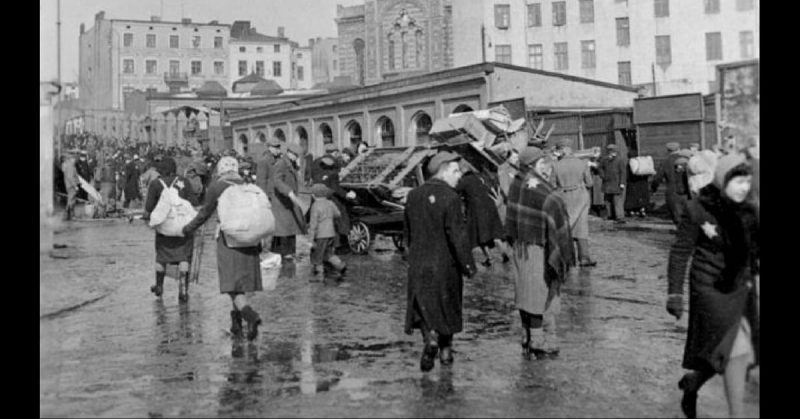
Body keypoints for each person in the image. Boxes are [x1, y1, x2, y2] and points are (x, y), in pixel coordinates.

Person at [666, 152, 759, 418]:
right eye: (737, 181)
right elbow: (680, 251)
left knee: (726, 350)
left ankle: (693, 383)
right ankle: (737, 414)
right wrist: (675, 293)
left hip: (742, 285)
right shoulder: (698, 208)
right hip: (710, 288)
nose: (743, 187)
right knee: (736, 350)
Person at [404, 151, 476, 372]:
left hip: (420, 263)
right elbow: (457, 236)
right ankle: (445, 352)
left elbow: (407, 233)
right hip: (446, 265)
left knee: (424, 307)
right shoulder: (451, 198)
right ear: (443, 171)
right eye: (455, 171)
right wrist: (468, 265)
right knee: (447, 306)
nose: (459, 177)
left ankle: (429, 339)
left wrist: (411, 255)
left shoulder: (413, 195)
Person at [182, 157, 264, 341]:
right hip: (250, 239)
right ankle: (236, 326)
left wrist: (188, 228)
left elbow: (204, 213)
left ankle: (251, 317)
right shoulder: (246, 184)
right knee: (240, 283)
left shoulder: (217, 186)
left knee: (231, 285)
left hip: (228, 240)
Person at [506, 147, 575, 358]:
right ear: (533, 165)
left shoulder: (517, 182)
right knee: (539, 292)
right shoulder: (542, 191)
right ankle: (537, 339)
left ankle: (529, 334)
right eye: (543, 163)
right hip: (537, 247)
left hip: (520, 244)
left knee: (525, 290)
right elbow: (554, 207)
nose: (546, 167)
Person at [143, 157, 198, 303]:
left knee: (162, 257)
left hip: (164, 228)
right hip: (183, 227)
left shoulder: (155, 184)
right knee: (184, 257)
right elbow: (194, 202)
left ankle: (159, 286)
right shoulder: (184, 182)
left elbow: (148, 208)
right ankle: (183, 289)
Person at [552, 138, 596, 267]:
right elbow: (590, 183)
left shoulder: (555, 165)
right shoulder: (582, 163)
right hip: (581, 197)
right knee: (581, 228)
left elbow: (551, 185)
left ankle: (564, 258)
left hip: (563, 198)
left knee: (565, 226)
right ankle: (584, 258)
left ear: (563, 150)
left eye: (559, 150)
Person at [456, 159, 504, 267]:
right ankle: (504, 254)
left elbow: (455, 190)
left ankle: (489, 258)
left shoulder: (465, 180)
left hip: (477, 210)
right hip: (490, 206)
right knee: (495, 233)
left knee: (480, 236)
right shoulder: (480, 177)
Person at [311, 155, 356, 252]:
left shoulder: (318, 174)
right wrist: (347, 195)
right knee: (341, 219)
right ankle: (341, 245)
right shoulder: (333, 174)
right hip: (332, 200)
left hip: (320, 200)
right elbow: (336, 189)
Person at [271, 143, 308, 260]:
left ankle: (290, 252)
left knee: (291, 227)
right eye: (295, 155)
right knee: (284, 229)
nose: (296, 158)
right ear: (288, 153)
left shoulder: (289, 163)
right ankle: (285, 253)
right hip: (282, 201)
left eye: (297, 156)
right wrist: (288, 191)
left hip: (288, 201)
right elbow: (277, 181)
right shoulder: (281, 164)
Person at [307, 183, 348, 281]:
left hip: (320, 235)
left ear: (314, 195)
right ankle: (340, 265)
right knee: (329, 253)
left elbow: (313, 225)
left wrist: (310, 240)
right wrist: (329, 217)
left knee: (317, 254)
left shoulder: (315, 206)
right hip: (331, 233)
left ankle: (317, 275)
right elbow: (338, 214)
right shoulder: (330, 203)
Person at [652, 142, 692, 225]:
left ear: (668, 150)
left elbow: (657, 178)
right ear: (679, 149)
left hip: (672, 192)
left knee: (677, 218)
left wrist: (653, 188)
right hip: (687, 191)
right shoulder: (687, 160)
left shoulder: (665, 162)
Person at [599, 143, 627, 223]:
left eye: (613, 151)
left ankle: (620, 217)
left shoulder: (620, 160)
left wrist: (622, 183)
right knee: (607, 200)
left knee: (617, 200)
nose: (611, 152)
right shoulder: (604, 160)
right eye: (609, 151)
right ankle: (609, 215)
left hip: (616, 183)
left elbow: (623, 172)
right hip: (607, 183)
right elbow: (600, 168)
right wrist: (602, 175)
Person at [61, 150, 80, 221]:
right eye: (76, 159)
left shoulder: (70, 165)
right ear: (73, 158)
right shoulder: (71, 166)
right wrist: (75, 185)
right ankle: (71, 216)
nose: (76, 160)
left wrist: (78, 181)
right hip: (71, 186)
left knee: (70, 200)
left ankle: (67, 216)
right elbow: (71, 177)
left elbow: (74, 176)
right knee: (71, 200)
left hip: (69, 185)